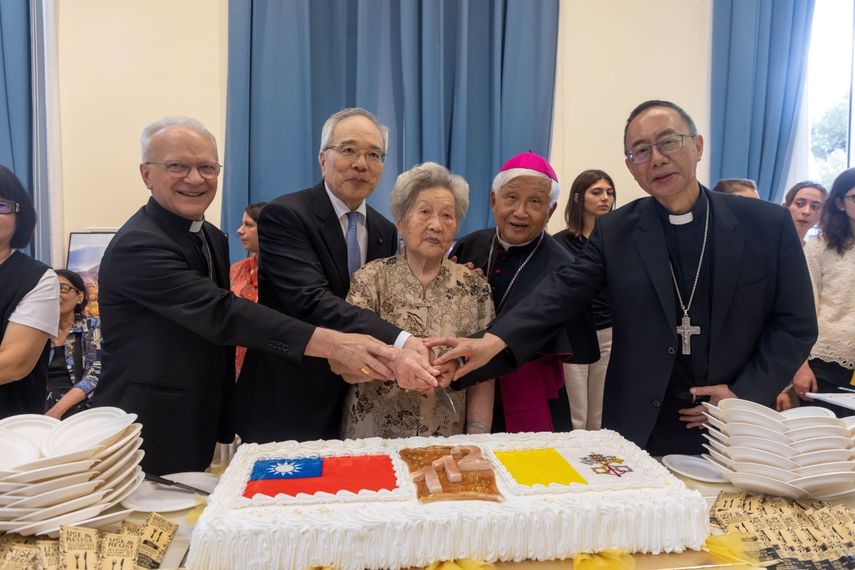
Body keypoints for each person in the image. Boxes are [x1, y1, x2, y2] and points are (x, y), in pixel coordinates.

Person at [429, 100, 817, 456]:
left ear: (697, 146)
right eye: (641, 151)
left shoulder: (767, 225)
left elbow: (795, 324)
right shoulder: (617, 231)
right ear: (631, 165)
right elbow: (561, 291)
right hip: (640, 423)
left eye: (669, 142)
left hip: (736, 421)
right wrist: (492, 341)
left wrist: (742, 394)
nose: (657, 159)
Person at [94, 116, 401, 475]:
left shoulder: (210, 235)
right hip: (150, 421)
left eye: (207, 167)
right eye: (178, 166)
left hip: (205, 414)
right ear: (147, 174)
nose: (195, 178)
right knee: (153, 529)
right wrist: (336, 345)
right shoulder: (139, 244)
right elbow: (223, 314)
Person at [236, 107, 438, 444]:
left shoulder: (383, 229)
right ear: (322, 158)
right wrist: (402, 340)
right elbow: (309, 300)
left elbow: (381, 297)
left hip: (353, 397)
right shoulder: (286, 215)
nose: (361, 163)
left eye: (374, 154)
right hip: (289, 394)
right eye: (348, 150)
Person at [342, 162, 494, 438]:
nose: (436, 225)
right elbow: (342, 366)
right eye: (424, 212)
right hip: (372, 438)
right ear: (400, 221)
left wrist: (478, 433)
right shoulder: (370, 279)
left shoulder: (475, 288)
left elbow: (483, 373)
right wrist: (392, 366)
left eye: (447, 216)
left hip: (447, 438)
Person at [450, 152, 598, 433]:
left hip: (529, 393)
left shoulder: (565, 265)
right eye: (511, 198)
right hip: (465, 389)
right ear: (494, 201)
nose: (520, 212)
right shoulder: (470, 246)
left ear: (551, 210)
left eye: (535, 202)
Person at [777, 168, 855, 416]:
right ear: (841, 203)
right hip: (827, 361)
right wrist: (800, 367)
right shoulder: (820, 246)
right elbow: (801, 311)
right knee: (829, 443)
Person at [553, 169, 616, 430]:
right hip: (574, 334)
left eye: (610, 193)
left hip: (608, 332)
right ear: (579, 197)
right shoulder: (560, 243)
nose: (605, 198)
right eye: (597, 192)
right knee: (577, 414)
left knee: (600, 413)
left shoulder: (617, 242)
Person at [0, 166, 59, 419]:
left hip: (9, 432)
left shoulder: (37, 279)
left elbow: (13, 364)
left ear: (19, 217)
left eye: (1, 205)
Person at [44, 270, 102, 419]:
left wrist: (57, 411)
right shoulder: (39, 332)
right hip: (40, 408)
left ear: (79, 297)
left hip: (80, 409)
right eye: (50, 289)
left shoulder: (93, 327)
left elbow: (94, 375)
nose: (55, 294)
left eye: (62, 288)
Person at [230, 201, 266, 377]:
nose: (239, 230)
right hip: (235, 366)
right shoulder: (236, 269)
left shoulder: (288, 274)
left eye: (248, 225)